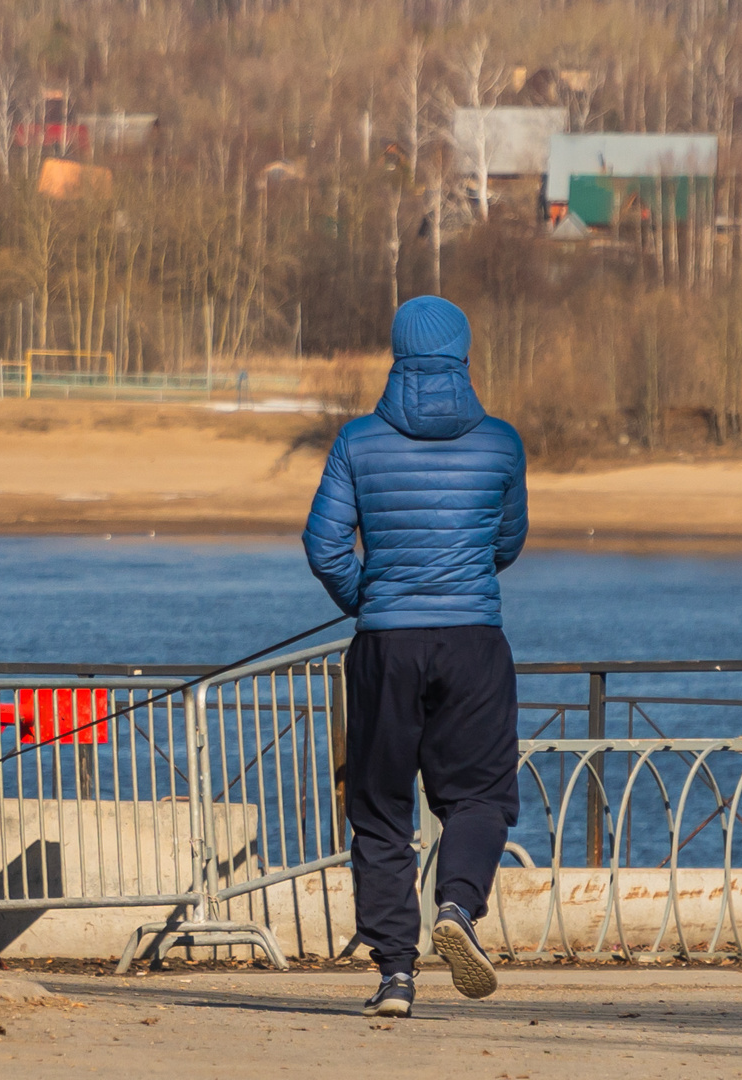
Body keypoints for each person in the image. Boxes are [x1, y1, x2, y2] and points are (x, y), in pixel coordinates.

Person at [302, 295, 528, 1018]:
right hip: (473, 642)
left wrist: (369, 598)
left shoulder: (358, 441)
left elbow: (324, 545)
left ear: (396, 356)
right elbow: (507, 540)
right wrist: (458, 575)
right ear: (464, 357)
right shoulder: (499, 443)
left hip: (384, 645)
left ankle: (395, 974)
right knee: (481, 796)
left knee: (378, 807)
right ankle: (458, 905)